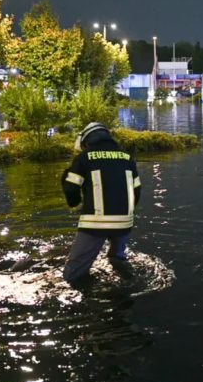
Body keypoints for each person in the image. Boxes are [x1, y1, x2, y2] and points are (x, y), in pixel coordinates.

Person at [60, 122, 142, 287]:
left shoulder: (84, 157)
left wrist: (74, 203)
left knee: (73, 273)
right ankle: (128, 283)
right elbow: (137, 191)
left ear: (87, 140)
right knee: (118, 260)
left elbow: (71, 187)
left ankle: (80, 297)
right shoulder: (127, 157)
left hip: (95, 224)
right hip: (124, 223)